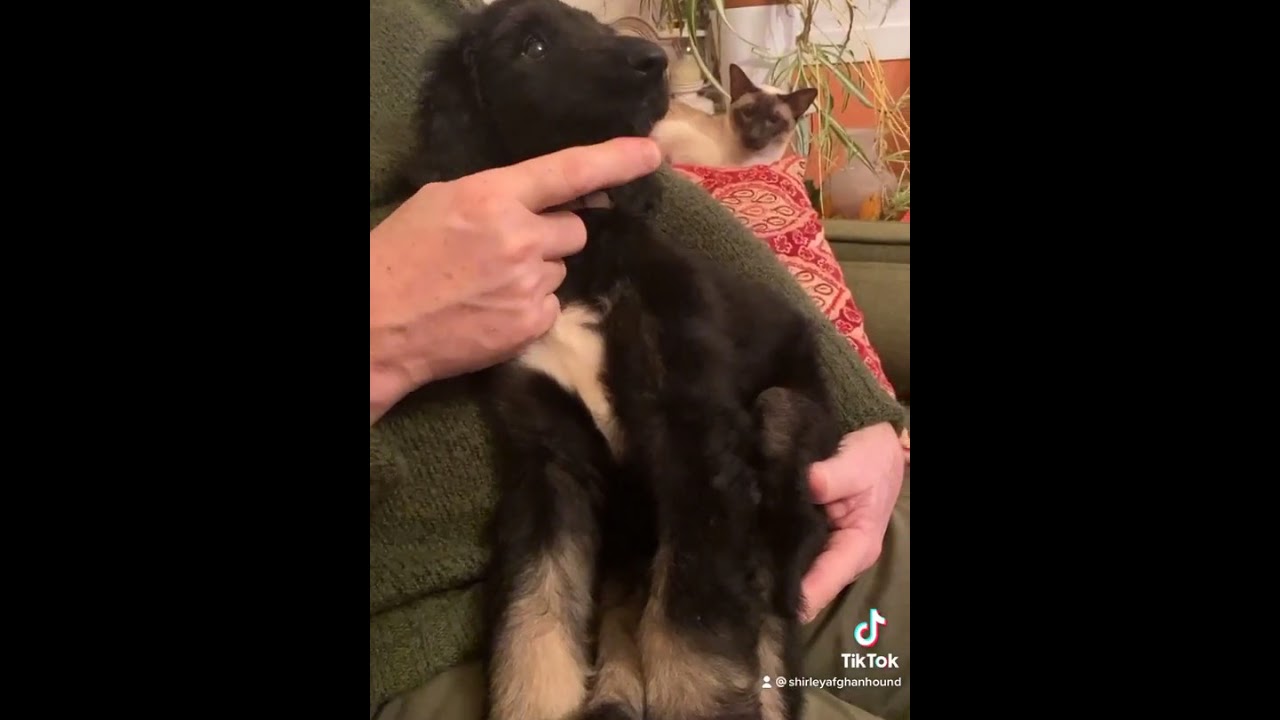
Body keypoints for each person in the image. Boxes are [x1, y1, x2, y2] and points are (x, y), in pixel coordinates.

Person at [369, 1, 909, 719]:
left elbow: (677, 219)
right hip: (447, 627)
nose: (644, 58)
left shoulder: (429, 17)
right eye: (535, 47)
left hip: (747, 531)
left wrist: (862, 413)